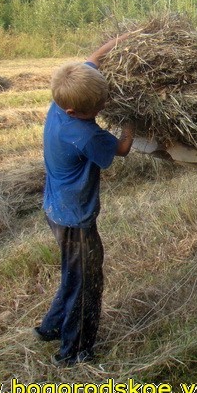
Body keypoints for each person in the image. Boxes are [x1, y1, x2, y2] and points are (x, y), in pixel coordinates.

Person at [34, 33, 135, 367]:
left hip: (56, 208)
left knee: (72, 275)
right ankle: (74, 350)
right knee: (87, 282)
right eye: (99, 106)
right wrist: (133, 119)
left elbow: (94, 57)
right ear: (75, 110)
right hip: (74, 219)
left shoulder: (62, 96)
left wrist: (123, 39)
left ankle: (50, 327)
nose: (104, 105)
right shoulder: (84, 134)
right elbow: (121, 148)